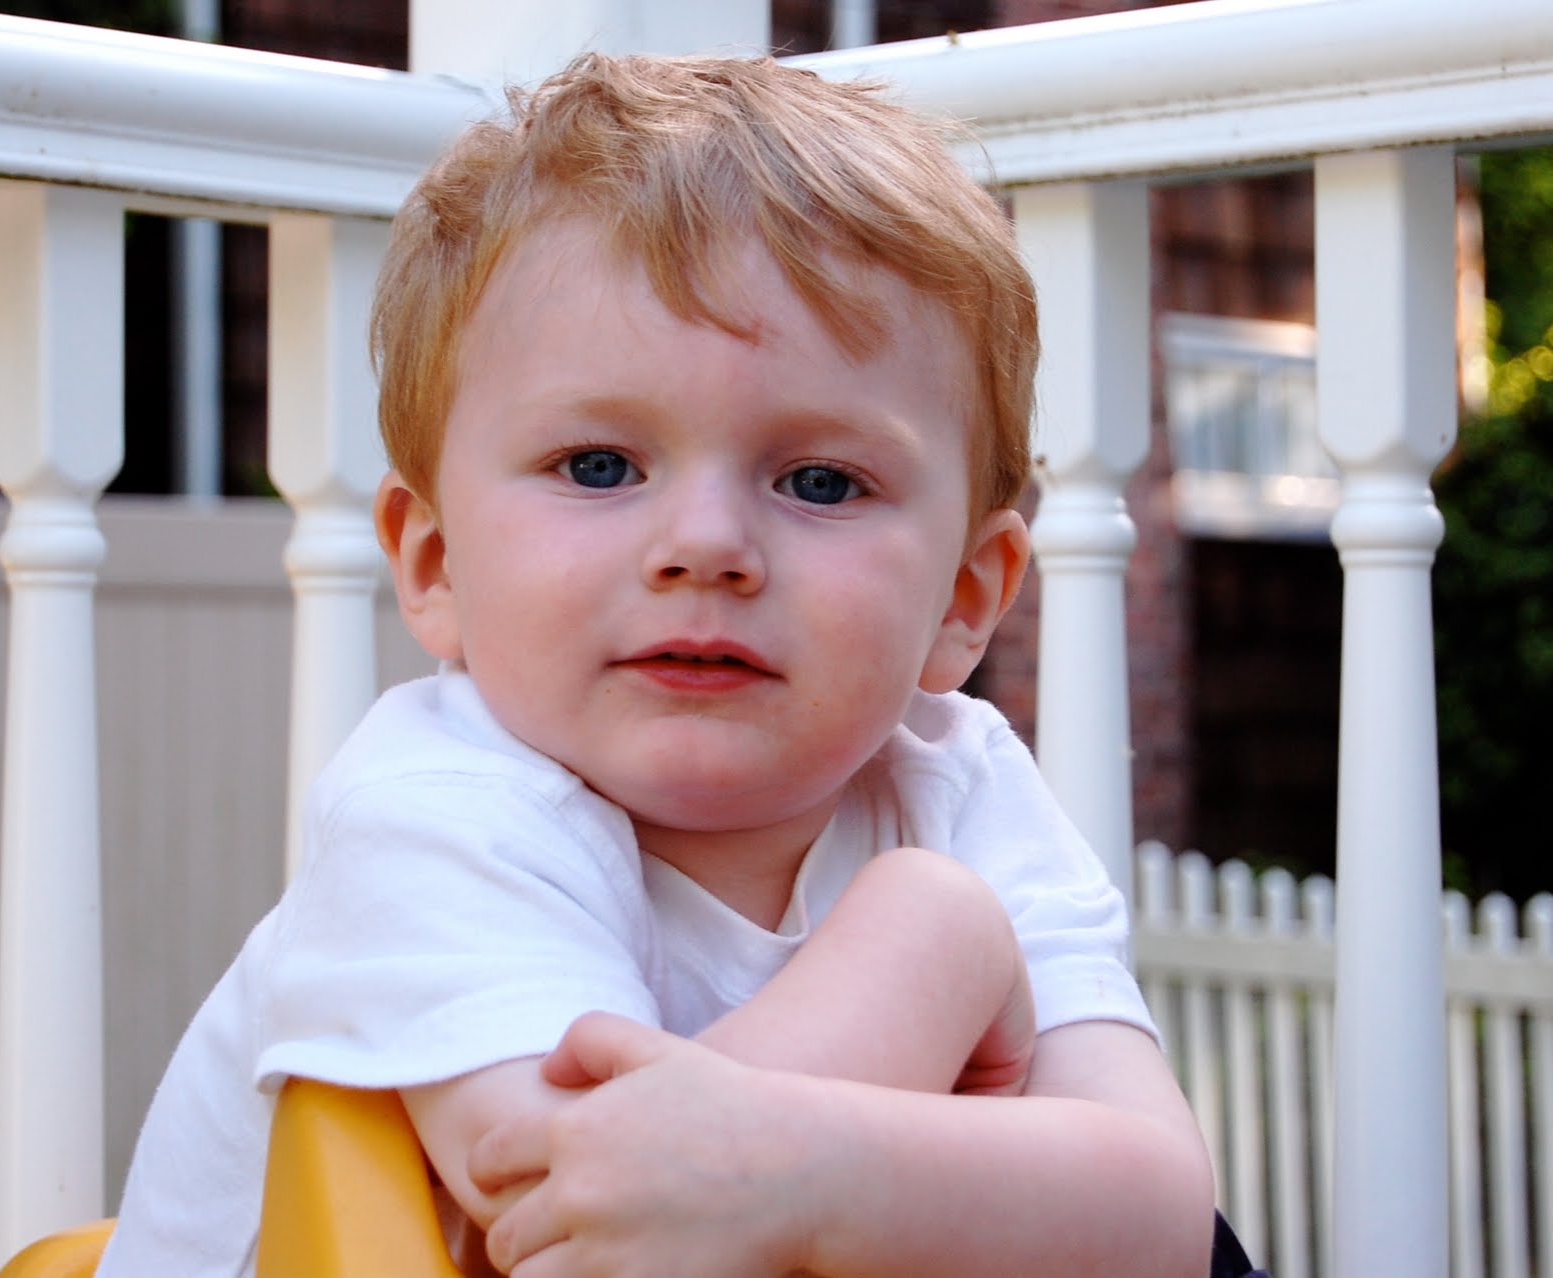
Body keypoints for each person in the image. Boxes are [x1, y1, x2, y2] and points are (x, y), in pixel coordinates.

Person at [100, 51, 1215, 1278]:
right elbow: (596, 1231)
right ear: (434, 562)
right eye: (599, 466)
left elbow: (1161, 1220)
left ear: (963, 599)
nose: (706, 546)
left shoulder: (961, 789)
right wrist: (934, 945)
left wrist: (814, 1176)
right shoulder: (437, 818)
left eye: (820, 481)